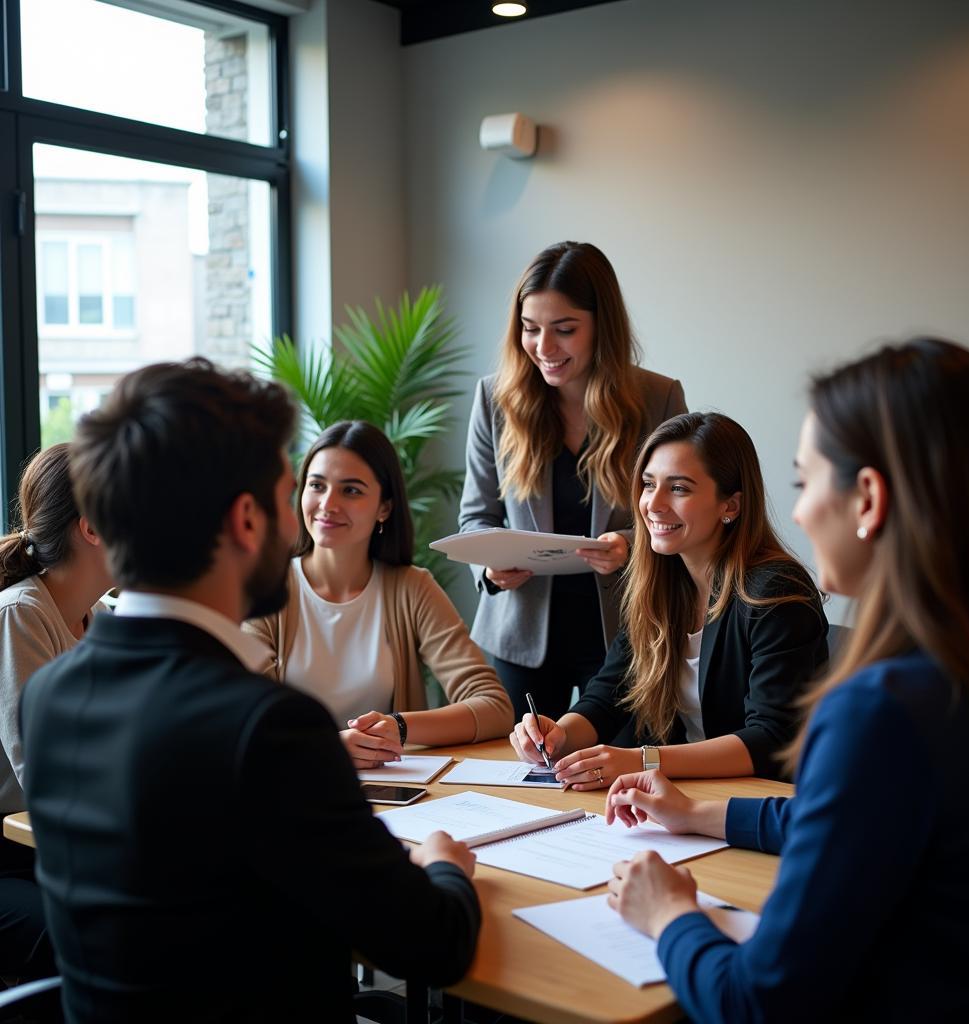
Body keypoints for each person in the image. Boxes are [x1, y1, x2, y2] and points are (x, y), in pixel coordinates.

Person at [20, 360, 481, 1023]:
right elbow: (435, 944)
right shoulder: (268, 729)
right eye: (292, 491)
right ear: (246, 519)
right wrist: (445, 866)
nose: (304, 522)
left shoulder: (54, 695)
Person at [604, 339, 969, 1021]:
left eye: (805, 484)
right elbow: (839, 816)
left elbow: (759, 1002)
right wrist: (696, 813)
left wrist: (669, 916)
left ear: (868, 499)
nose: (798, 514)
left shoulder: (880, 709)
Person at [510, 411, 828, 788]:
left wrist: (643, 761)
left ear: (731, 506)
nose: (653, 504)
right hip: (680, 796)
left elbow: (772, 738)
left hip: (759, 801)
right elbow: (610, 694)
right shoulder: (659, 581)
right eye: (648, 484)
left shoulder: (775, 590)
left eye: (679, 488)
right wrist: (559, 734)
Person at [459, 240, 687, 722]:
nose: (544, 348)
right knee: (516, 777)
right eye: (530, 329)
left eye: (564, 330)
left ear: (601, 326)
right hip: (520, 634)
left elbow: (684, 509)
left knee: (614, 776)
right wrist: (490, 569)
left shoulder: (658, 398)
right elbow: (476, 515)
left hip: (623, 631)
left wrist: (629, 543)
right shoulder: (495, 400)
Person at [244, 420, 512, 769]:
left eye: (351, 490)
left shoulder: (412, 588)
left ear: (384, 507)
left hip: (395, 789)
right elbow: (243, 715)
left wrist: (399, 727)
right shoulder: (265, 587)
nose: (328, 504)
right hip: (295, 782)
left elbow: (495, 707)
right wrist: (326, 746)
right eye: (316, 485)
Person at [0, 443, 110, 985]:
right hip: (11, 852)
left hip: (55, 849)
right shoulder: (22, 614)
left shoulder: (100, 618)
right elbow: (47, 775)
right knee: (97, 936)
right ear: (92, 527)